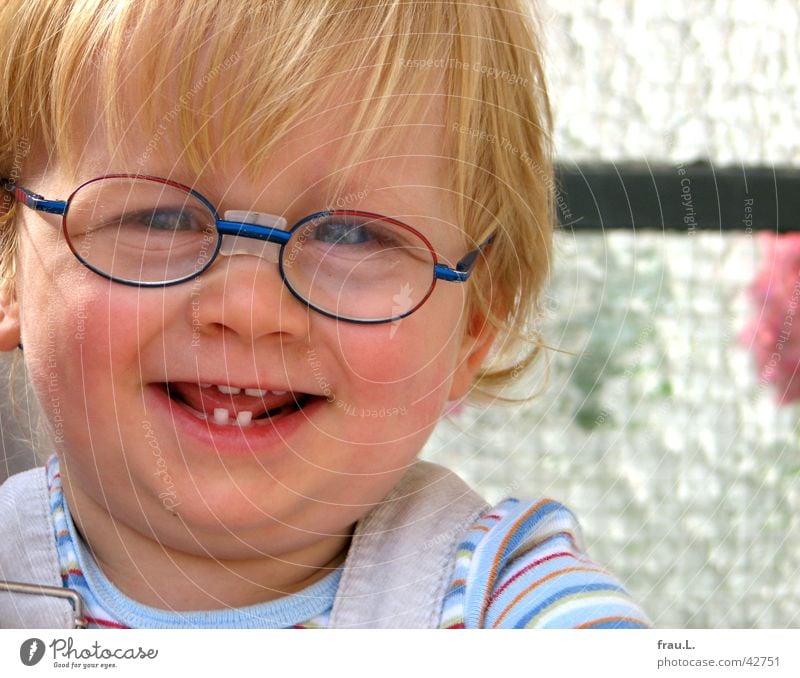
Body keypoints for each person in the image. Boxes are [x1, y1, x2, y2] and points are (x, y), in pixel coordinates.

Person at [0, 0, 650, 629]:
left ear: (473, 327)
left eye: (351, 236)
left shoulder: (502, 599)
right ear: (8, 264)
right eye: (161, 218)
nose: (250, 309)